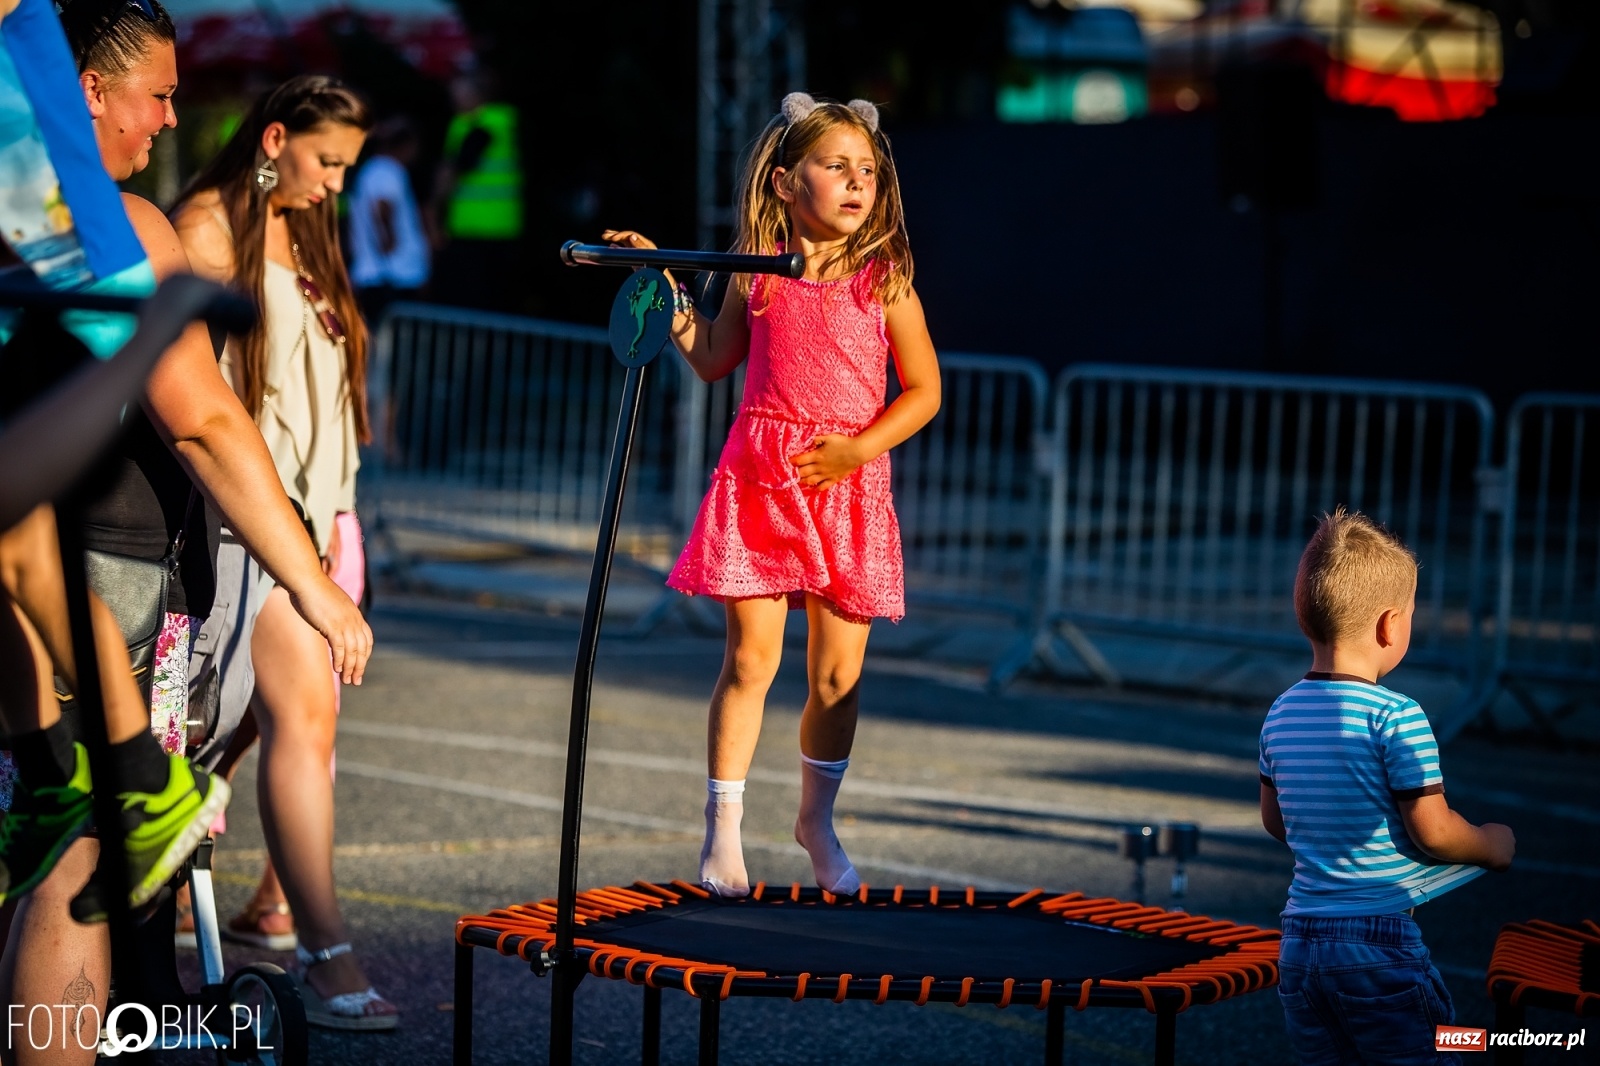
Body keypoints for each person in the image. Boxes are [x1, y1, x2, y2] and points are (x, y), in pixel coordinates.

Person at [0, 0, 374, 1058]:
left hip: (61, 569)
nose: (170, 118)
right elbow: (206, 420)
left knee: (45, 836)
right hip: (101, 565)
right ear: (80, 96)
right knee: (76, 858)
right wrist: (311, 580)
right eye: (156, 94)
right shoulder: (125, 228)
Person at [603, 91, 941, 898]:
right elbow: (715, 358)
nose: (857, 183)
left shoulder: (883, 279)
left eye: (867, 170)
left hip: (846, 485)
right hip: (762, 482)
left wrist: (859, 447)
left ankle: (815, 821)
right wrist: (666, 284)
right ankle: (722, 827)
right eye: (836, 167)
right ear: (788, 184)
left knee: (835, 680)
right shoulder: (756, 274)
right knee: (750, 660)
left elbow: (924, 391)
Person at [171, 75, 396, 1031]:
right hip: (226, 520)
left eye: (349, 165)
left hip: (311, 516)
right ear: (275, 138)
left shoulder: (304, 226)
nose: (337, 183)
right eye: (327, 161)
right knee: (234, 721)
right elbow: (195, 400)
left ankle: (308, 933)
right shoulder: (205, 231)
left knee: (299, 716)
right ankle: (304, 940)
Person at [1259, 507, 1516, 1066]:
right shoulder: (1397, 715)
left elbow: (1277, 822)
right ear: (1389, 625)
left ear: (1305, 615)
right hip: (1376, 948)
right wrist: (1492, 845)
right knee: (1433, 1051)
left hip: (1299, 944)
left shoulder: (1280, 713)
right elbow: (1434, 831)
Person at [346, 115, 429, 326]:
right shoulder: (388, 170)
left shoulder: (373, 169)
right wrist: (388, 237)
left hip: (380, 273)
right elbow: (382, 205)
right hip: (392, 274)